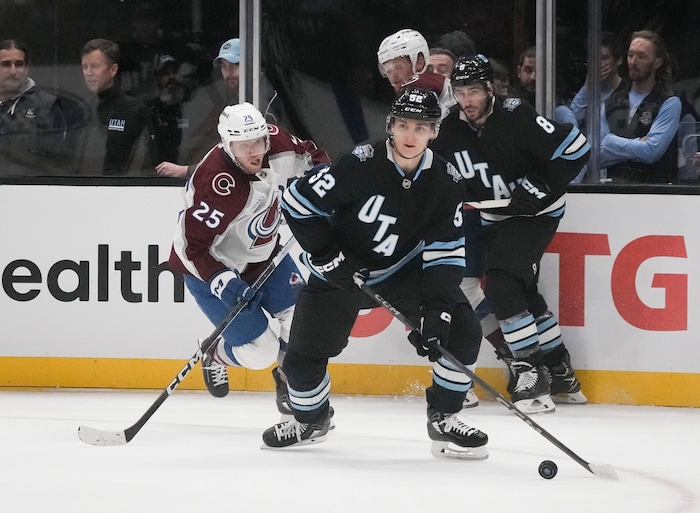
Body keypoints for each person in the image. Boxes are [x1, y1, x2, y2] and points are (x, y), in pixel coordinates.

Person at [261, 87, 488, 460]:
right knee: (301, 358)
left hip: (403, 272)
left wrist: (435, 310)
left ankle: (445, 417)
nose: (410, 136)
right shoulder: (359, 163)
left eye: (420, 127)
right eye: (402, 126)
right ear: (391, 126)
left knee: (462, 330)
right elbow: (297, 203)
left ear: (434, 131)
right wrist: (326, 255)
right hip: (342, 270)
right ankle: (310, 420)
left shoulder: (446, 181)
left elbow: (445, 252)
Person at [431, 54, 590, 414]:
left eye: (474, 91)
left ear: (490, 88)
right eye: (460, 92)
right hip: (493, 217)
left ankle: (531, 372)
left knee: (502, 282)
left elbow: (577, 149)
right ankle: (560, 370)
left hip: (536, 214)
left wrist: (540, 186)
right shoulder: (449, 130)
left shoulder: (516, 115)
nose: (467, 100)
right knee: (518, 289)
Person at [167, 102, 331, 413]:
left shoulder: (276, 142)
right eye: (244, 146)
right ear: (228, 146)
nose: (254, 151)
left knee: (301, 321)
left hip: (265, 258)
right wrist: (222, 280)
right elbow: (191, 247)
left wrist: (323, 188)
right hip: (213, 271)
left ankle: (288, 381)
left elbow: (312, 157)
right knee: (260, 352)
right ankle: (215, 353)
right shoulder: (215, 183)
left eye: (258, 142)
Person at [600, 30, 682, 184]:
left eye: (641, 56)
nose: (633, 61)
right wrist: (638, 145)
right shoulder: (611, 102)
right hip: (612, 194)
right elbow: (596, 156)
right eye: (630, 55)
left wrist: (610, 142)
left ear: (657, 63)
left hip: (653, 194)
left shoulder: (669, 103)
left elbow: (651, 153)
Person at [80, 38, 154, 176]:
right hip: (81, 188)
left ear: (113, 70)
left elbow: (146, 159)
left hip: (123, 189)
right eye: (85, 67)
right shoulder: (83, 107)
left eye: (95, 66)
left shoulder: (134, 109)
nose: (88, 73)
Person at [0, 39, 68, 176]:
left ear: (27, 68)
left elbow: (59, 162)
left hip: (31, 190)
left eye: (19, 64)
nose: (13, 71)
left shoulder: (47, 105)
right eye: (6, 64)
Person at [377, 29, 455, 119]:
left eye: (398, 66)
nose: (393, 75)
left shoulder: (440, 89)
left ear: (419, 63)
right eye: (388, 70)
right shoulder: (405, 97)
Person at [146, 54, 188, 165]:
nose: (171, 77)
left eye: (174, 72)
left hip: (183, 170)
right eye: (166, 73)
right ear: (157, 77)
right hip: (153, 173)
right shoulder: (149, 109)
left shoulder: (189, 106)